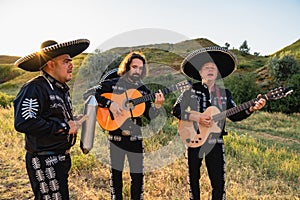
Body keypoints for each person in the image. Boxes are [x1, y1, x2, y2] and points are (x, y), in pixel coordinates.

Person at [172, 46, 266, 200]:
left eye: (213, 68)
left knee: (219, 183)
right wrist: (198, 118)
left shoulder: (225, 93)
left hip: (216, 141)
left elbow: (236, 115)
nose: (210, 70)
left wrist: (252, 108)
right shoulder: (190, 90)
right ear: (200, 72)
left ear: (217, 73)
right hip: (193, 139)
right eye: (206, 67)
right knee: (193, 181)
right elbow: (175, 110)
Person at [14, 39, 90, 199]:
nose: (71, 65)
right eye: (66, 61)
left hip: (61, 160)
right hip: (44, 161)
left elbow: (53, 117)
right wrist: (63, 126)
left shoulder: (61, 89)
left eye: (71, 61)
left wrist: (77, 121)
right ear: (51, 64)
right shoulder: (35, 88)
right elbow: (24, 122)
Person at [95, 51, 165, 200]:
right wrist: (110, 103)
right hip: (116, 138)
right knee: (116, 176)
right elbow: (95, 94)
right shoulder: (112, 83)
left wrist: (158, 107)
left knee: (138, 176)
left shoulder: (143, 90)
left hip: (135, 138)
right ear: (127, 67)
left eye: (140, 68)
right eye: (134, 67)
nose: (137, 71)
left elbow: (149, 115)